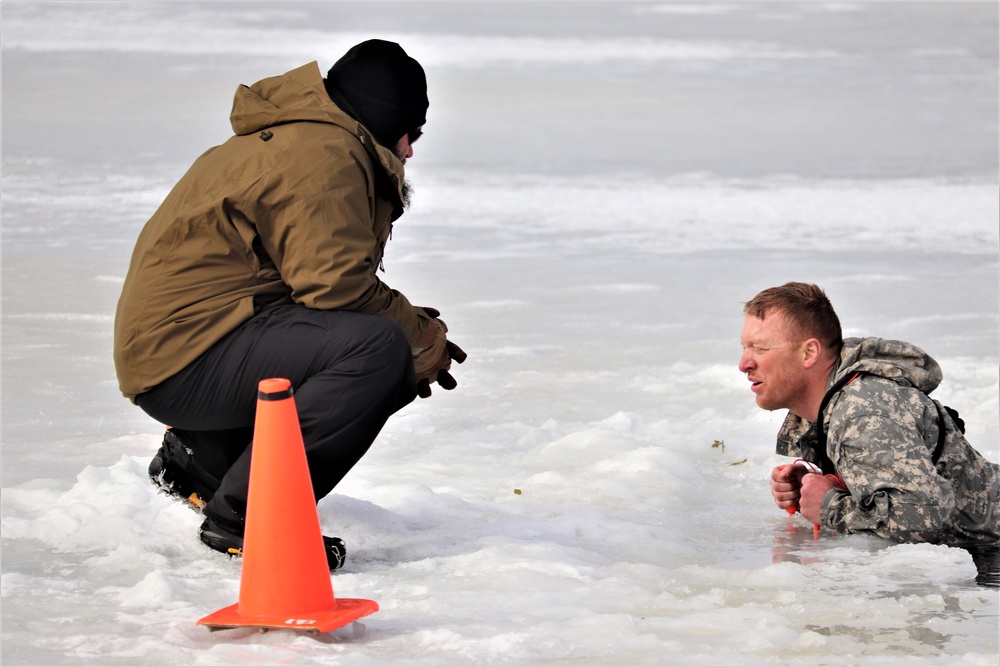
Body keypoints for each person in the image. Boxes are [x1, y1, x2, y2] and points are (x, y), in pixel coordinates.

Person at [113, 40, 465, 570]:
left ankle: (202, 464)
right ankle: (255, 518)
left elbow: (313, 288)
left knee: (373, 343)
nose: (410, 151)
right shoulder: (322, 155)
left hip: (182, 348)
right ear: (384, 118)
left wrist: (407, 332)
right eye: (409, 134)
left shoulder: (310, 141)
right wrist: (418, 336)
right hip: (185, 356)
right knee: (375, 351)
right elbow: (336, 287)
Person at [738, 282, 999, 545]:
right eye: (744, 348)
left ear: (809, 353)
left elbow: (922, 519)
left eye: (760, 349)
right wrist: (816, 482)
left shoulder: (864, 410)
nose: (744, 364)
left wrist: (829, 506)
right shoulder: (838, 399)